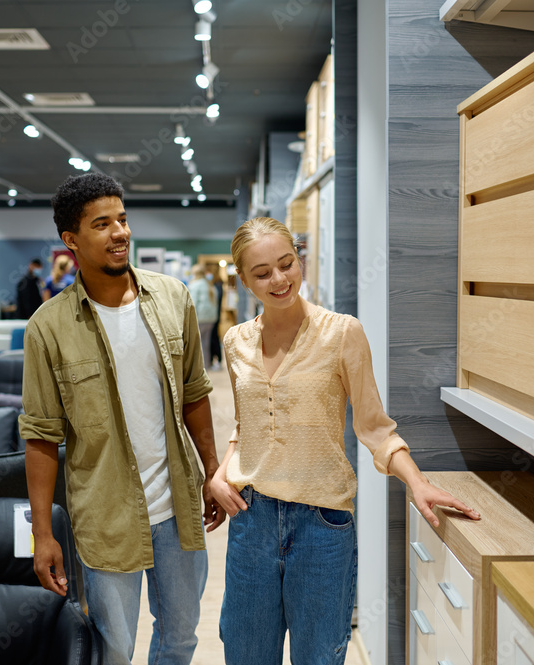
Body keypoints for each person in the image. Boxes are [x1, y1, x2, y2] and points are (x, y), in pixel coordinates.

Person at [209, 217, 481, 665]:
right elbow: (248, 425)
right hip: (251, 521)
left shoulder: (341, 333)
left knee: (319, 656)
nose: (279, 279)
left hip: (322, 525)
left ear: (300, 260)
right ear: (243, 279)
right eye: (262, 273)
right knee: (245, 654)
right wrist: (221, 474)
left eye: (287, 263)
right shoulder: (236, 341)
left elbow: (375, 427)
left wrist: (418, 483)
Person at [19, 173, 224, 665]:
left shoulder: (173, 298)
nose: (120, 233)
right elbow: (42, 437)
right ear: (71, 241)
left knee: (180, 639)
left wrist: (212, 473)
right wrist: (42, 535)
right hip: (104, 515)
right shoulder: (48, 328)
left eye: (123, 219)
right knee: (113, 649)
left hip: (176, 507)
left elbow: (195, 393)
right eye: (102, 223)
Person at [187, 264, 218, 369]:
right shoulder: (209, 285)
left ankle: (198, 369)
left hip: (199, 319)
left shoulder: (194, 285)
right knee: (205, 344)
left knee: (196, 345)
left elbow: (192, 303)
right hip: (210, 319)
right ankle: (206, 366)